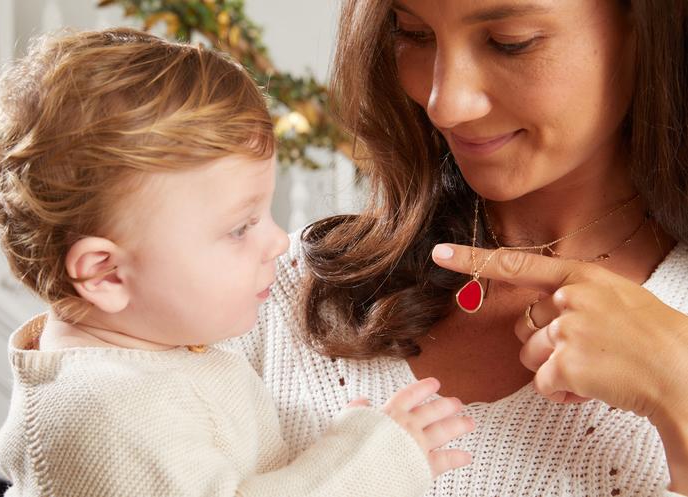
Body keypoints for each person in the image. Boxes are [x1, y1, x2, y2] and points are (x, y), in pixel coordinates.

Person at [0, 27, 475, 497]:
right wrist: (370, 460)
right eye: (240, 228)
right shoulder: (103, 412)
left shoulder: (152, 359)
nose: (279, 242)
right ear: (106, 274)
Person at [223, 1, 688, 495]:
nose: (444, 103)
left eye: (511, 41)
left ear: (648, 24)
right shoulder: (258, 288)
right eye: (415, 34)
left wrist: (676, 387)